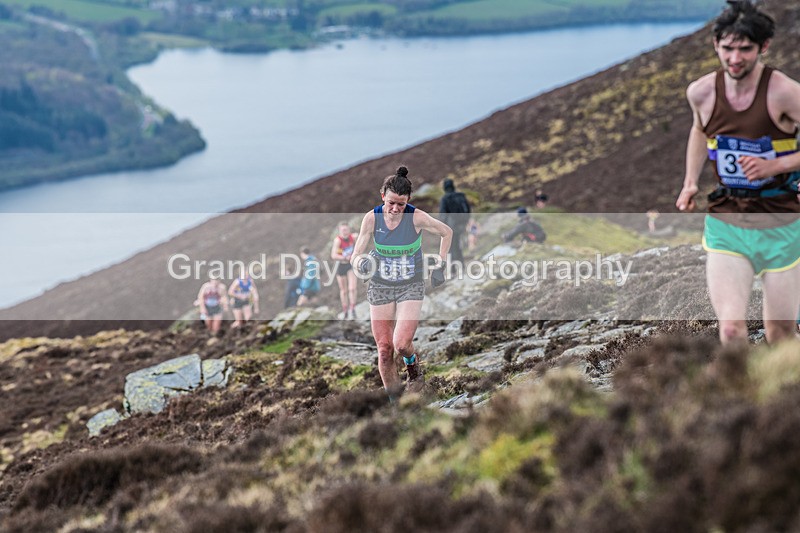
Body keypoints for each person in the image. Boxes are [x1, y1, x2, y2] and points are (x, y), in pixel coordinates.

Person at [675, 0, 800, 345]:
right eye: (727, 48)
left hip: (782, 220)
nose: (735, 58)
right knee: (730, 330)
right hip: (728, 218)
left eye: (745, 49)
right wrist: (690, 183)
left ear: (764, 47)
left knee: (781, 333)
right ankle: (741, 400)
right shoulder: (701, 93)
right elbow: (700, 131)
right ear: (716, 44)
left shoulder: (784, 93)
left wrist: (778, 165)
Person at [350, 166, 452, 400]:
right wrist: (361, 264)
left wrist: (441, 265)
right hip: (380, 285)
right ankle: (397, 403)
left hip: (410, 284)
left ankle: (412, 365)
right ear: (383, 196)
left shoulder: (416, 217)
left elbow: (447, 233)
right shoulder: (372, 218)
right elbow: (355, 255)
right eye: (392, 203)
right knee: (385, 351)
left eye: (401, 204)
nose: (396, 209)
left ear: (408, 201)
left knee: (402, 344)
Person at [438, 178, 471, 269]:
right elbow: (468, 210)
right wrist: (465, 222)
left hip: (451, 226)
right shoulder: (461, 196)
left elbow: (443, 215)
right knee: (457, 246)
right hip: (462, 224)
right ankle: (461, 266)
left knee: (452, 248)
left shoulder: (445, 199)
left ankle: (454, 269)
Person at [331, 221, 359, 319]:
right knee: (344, 290)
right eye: (343, 230)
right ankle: (345, 309)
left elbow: (361, 241)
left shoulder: (353, 237)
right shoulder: (337, 241)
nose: (345, 232)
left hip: (350, 265)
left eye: (346, 230)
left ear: (349, 230)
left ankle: (353, 308)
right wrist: (344, 257)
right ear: (339, 231)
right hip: (341, 265)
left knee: (352, 288)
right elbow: (333, 255)